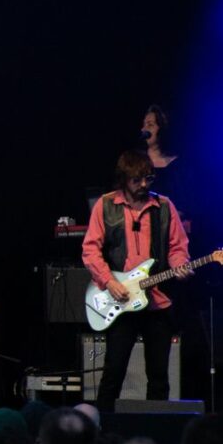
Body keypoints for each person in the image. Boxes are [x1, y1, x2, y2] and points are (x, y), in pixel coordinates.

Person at [81, 149, 191, 410]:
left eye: (148, 179)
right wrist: (109, 282)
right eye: (137, 180)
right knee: (113, 373)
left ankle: (155, 436)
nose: (143, 185)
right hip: (121, 302)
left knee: (159, 377)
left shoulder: (164, 206)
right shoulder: (105, 205)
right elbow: (90, 249)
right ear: (123, 179)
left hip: (157, 303)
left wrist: (180, 266)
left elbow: (177, 247)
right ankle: (104, 431)